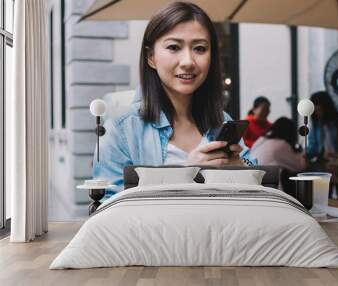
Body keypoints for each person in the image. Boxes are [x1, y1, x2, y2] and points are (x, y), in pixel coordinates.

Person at [92, 2, 255, 195]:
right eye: (174, 47)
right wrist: (184, 175)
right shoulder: (121, 131)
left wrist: (240, 169)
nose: (188, 62)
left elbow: (258, 188)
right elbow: (109, 212)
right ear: (150, 56)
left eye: (200, 49)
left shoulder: (223, 121)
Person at [307, 91, 338, 160]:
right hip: (323, 162)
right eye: (314, 111)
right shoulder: (316, 124)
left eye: (319, 110)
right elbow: (312, 147)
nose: (317, 114)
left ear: (327, 108)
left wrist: (337, 154)